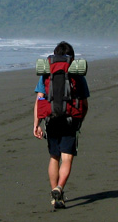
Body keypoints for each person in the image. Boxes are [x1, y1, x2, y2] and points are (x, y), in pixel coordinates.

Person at [33, 41, 89, 210]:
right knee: (67, 158)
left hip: (51, 119)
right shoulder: (76, 74)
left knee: (54, 157)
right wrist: (80, 120)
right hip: (70, 119)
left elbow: (39, 100)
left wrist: (37, 123)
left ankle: (54, 195)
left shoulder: (47, 73)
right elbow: (84, 103)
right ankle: (59, 188)